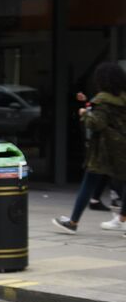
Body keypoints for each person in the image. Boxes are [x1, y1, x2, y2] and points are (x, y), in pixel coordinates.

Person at [53, 62, 126, 234]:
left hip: (104, 149)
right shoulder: (123, 98)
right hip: (123, 147)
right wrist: (87, 103)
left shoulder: (102, 100)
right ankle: (123, 219)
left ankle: (73, 222)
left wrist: (84, 114)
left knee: (89, 183)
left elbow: (96, 123)